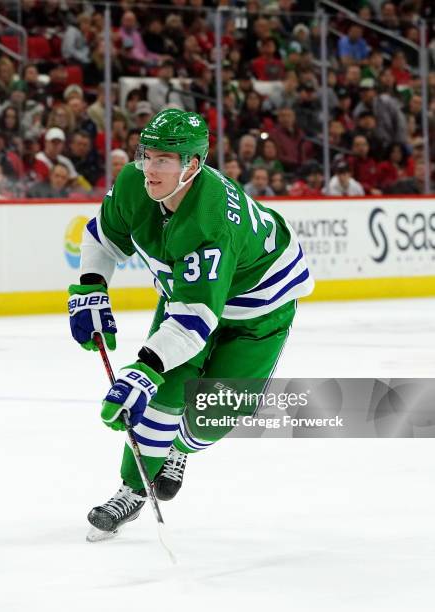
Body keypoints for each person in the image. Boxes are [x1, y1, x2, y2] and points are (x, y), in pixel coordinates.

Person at [68, 109, 314, 540]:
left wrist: (141, 370)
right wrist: (91, 286)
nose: (151, 168)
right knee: (162, 395)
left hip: (260, 309)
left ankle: (179, 449)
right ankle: (132, 489)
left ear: (193, 165)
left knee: (215, 413)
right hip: (191, 301)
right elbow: (102, 237)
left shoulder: (210, 220)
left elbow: (193, 324)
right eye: (147, 155)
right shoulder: (132, 184)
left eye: (166, 159)